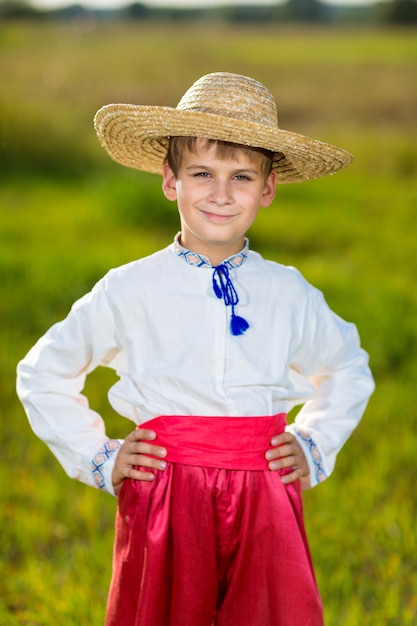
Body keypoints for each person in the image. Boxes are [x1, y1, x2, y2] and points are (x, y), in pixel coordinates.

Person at [17, 72, 374, 626]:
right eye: (202, 174)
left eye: (242, 176)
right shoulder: (129, 288)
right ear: (170, 181)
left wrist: (313, 443)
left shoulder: (288, 290)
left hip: (265, 489)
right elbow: (43, 373)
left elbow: (347, 366)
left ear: (268, 188)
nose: (221, 194)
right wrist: (102, 458)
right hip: (166, 488)